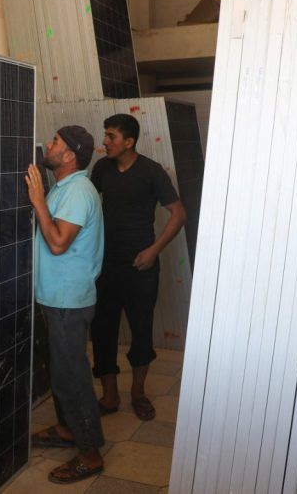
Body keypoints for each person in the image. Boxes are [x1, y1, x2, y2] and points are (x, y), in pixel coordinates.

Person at [90, 113, 186, 421]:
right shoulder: (102, 168)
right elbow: (89, 208)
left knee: (141, 331)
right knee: (103, 330)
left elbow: (178, 214)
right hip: (105, 265)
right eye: (105, 135)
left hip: (140, 268)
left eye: (111, 137)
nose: (105, 141)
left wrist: (154, 250)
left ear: (129, 142)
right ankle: (110, 395)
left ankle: (138, 393)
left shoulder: (151, 172)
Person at [26, 126, 105, 484]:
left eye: (56, 142)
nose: (50, 144)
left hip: (67, 301)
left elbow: (57, 243)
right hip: (56, 297)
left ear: (70, 155)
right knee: (60, 371)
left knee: (72, 377)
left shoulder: (77, 192)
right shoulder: (65, 188)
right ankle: (67, 429)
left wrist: (38, 201)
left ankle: (90, 453)